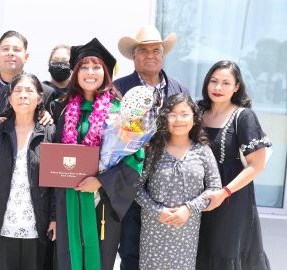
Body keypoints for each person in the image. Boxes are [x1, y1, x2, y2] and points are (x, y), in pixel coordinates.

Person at [52, 38, 143, 270]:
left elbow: (135, 159)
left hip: (102, 201)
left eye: (96, 67)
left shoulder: (120, 112)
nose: (90, 73)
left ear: (106, 72)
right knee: (67, 258)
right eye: (84, 67)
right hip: (68, 200)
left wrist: (101, 182)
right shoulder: (62, 108)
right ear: (75, 72)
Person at [0, 30, 54, 269]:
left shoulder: (49, 132)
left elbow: (57, 180)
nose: (24, 96)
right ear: (9, 97)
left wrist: (56, 217)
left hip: (37, 221)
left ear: (40, 98)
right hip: (2, 218)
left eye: (30, 92)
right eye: (18, 92)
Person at [114, 24, 190, 270]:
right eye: (143, 51)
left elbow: (192, 132)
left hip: (168, 183)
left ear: (162, 54)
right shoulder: (117, 89)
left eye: (156, 50)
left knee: (166, 251)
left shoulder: (179, 90)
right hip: (128, 178)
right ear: (133, 56)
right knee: (130, 249)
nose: (150, 56)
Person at [196, 60, 272, 270]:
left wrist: (224, 192)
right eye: (214, 81)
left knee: (224, 253)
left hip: (232, 199)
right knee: (200, 251)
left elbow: (257, 165)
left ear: (236, 86)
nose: (218, 88)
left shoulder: (243, 116)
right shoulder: (198, 112)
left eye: (226, 83)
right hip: (198, 196)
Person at [136, 93, 221, 269]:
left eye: (184, 114)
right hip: (154, 232)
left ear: (195, 118)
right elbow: (135, 187)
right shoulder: (152, 150)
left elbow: (214, 188)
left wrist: (188, 209)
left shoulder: (203, 151)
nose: (178, 120)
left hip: (186, 233)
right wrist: (157, 210)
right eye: (172, 114)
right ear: (164, 118)